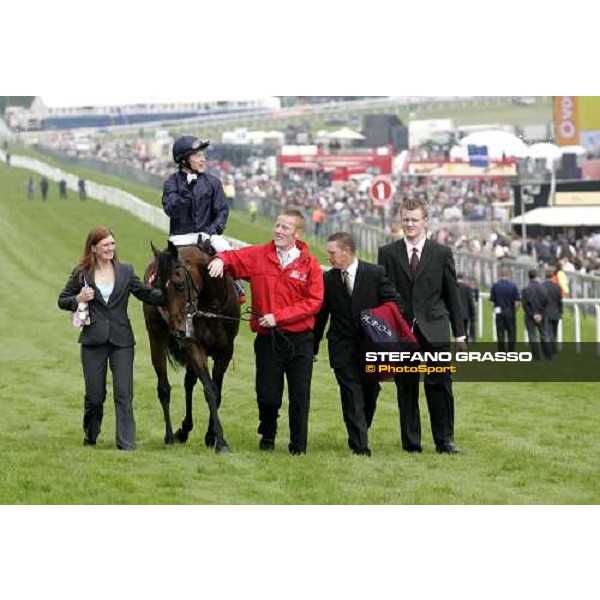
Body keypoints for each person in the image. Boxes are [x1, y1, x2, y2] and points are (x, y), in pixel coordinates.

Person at [207, 210, 324, 455]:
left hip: (300, 340)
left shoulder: (309, 264)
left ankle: (298, 448)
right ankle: (268, 432)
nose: (278, 231)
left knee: (300, 396)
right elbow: (233, 257)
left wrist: (278, 317)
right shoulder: (259, 255)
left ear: (297, 233)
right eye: (277, 225)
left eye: (285, 227)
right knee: (268, 396)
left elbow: (314, 302)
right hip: (267, 341)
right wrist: (220, 260)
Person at [58, 226, 165, 450]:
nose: (110, 248)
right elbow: (62, 300)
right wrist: (78, 297)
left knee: (124, 394)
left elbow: (144, 293)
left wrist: (166, 293)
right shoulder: (82, 272)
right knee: (95, 397)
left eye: (112, 244)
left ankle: (126, 444)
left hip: (122, 341)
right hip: (93, 341)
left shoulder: (125, 270)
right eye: (105, 245)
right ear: (94, 248)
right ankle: (91, 434)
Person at [378, 198, 466, 454]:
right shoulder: (388, 253)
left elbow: (452, 294)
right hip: (402, 332)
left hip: (435, 329)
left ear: (425, 221)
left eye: (415, 220)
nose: (409, 224)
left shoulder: (442, 253)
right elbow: (382, 295)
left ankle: (445, 440)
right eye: (405, 219)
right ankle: (411, 442)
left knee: (440, 385)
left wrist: (459, 333)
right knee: (406, 387)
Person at [314, 232, 399, 456]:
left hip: (371, 347)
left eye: (332, 252)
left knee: (370, 392)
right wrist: (312, 347)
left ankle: (360, 428)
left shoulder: (375, 273)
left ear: (347, 251)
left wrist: (378, 324)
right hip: (341, 347)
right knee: (351, 392)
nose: (329, 257)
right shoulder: (328, 279)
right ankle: (360, 445)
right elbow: (321, 316)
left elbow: (394, 303)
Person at [162, 135, 245, 302]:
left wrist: (211, 231)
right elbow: (171, 209)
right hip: (179, 238)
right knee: (160, 265)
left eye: (202, 155)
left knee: (228, 251)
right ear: (184, 160)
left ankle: (238, 285)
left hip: (208, 235)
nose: (202, 159)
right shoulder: (172, 183)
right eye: (197, 156)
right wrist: (187, 190)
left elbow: (222, 211)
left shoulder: (213, 182)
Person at [521, 269, 553, 361]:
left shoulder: (525, 290)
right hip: (542, 315)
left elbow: (525, 305)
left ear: (529, 277)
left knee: (532, 336)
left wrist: (533, 315)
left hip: (530, 316)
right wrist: (540, 314)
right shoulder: (544, 288)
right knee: (544, 335)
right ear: (537, 276)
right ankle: (548, 356)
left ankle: (536, 357)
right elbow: (547, 303)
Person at [490, 268, 521, 352]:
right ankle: (511, 351)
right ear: (508, 275)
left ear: (500, 275)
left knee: (500, 333)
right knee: (511, 333)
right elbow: (517, 302)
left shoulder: (495, 286)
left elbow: (492, 302)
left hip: (499, 311)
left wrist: (495, 310)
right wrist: (514, 311)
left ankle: (501, 352)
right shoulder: (513, 286)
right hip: (510, 311)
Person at [543, 267, 563, 355]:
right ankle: (553, 349)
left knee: (547, 332)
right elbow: (560, 301)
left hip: (546, 312)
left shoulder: (542, 286)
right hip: (555, 312)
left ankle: (549, 350)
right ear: (553, 276)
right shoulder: (557, 287)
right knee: (554, 333)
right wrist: (561, 311)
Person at [457, 272, 476, 344]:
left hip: (455, 314)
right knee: (464, 331)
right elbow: (470, 302)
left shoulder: (453, 287)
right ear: (463, 278)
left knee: (457, 332)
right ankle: (465, 346)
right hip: (465, 314)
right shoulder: (467, 288)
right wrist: (473, 315)